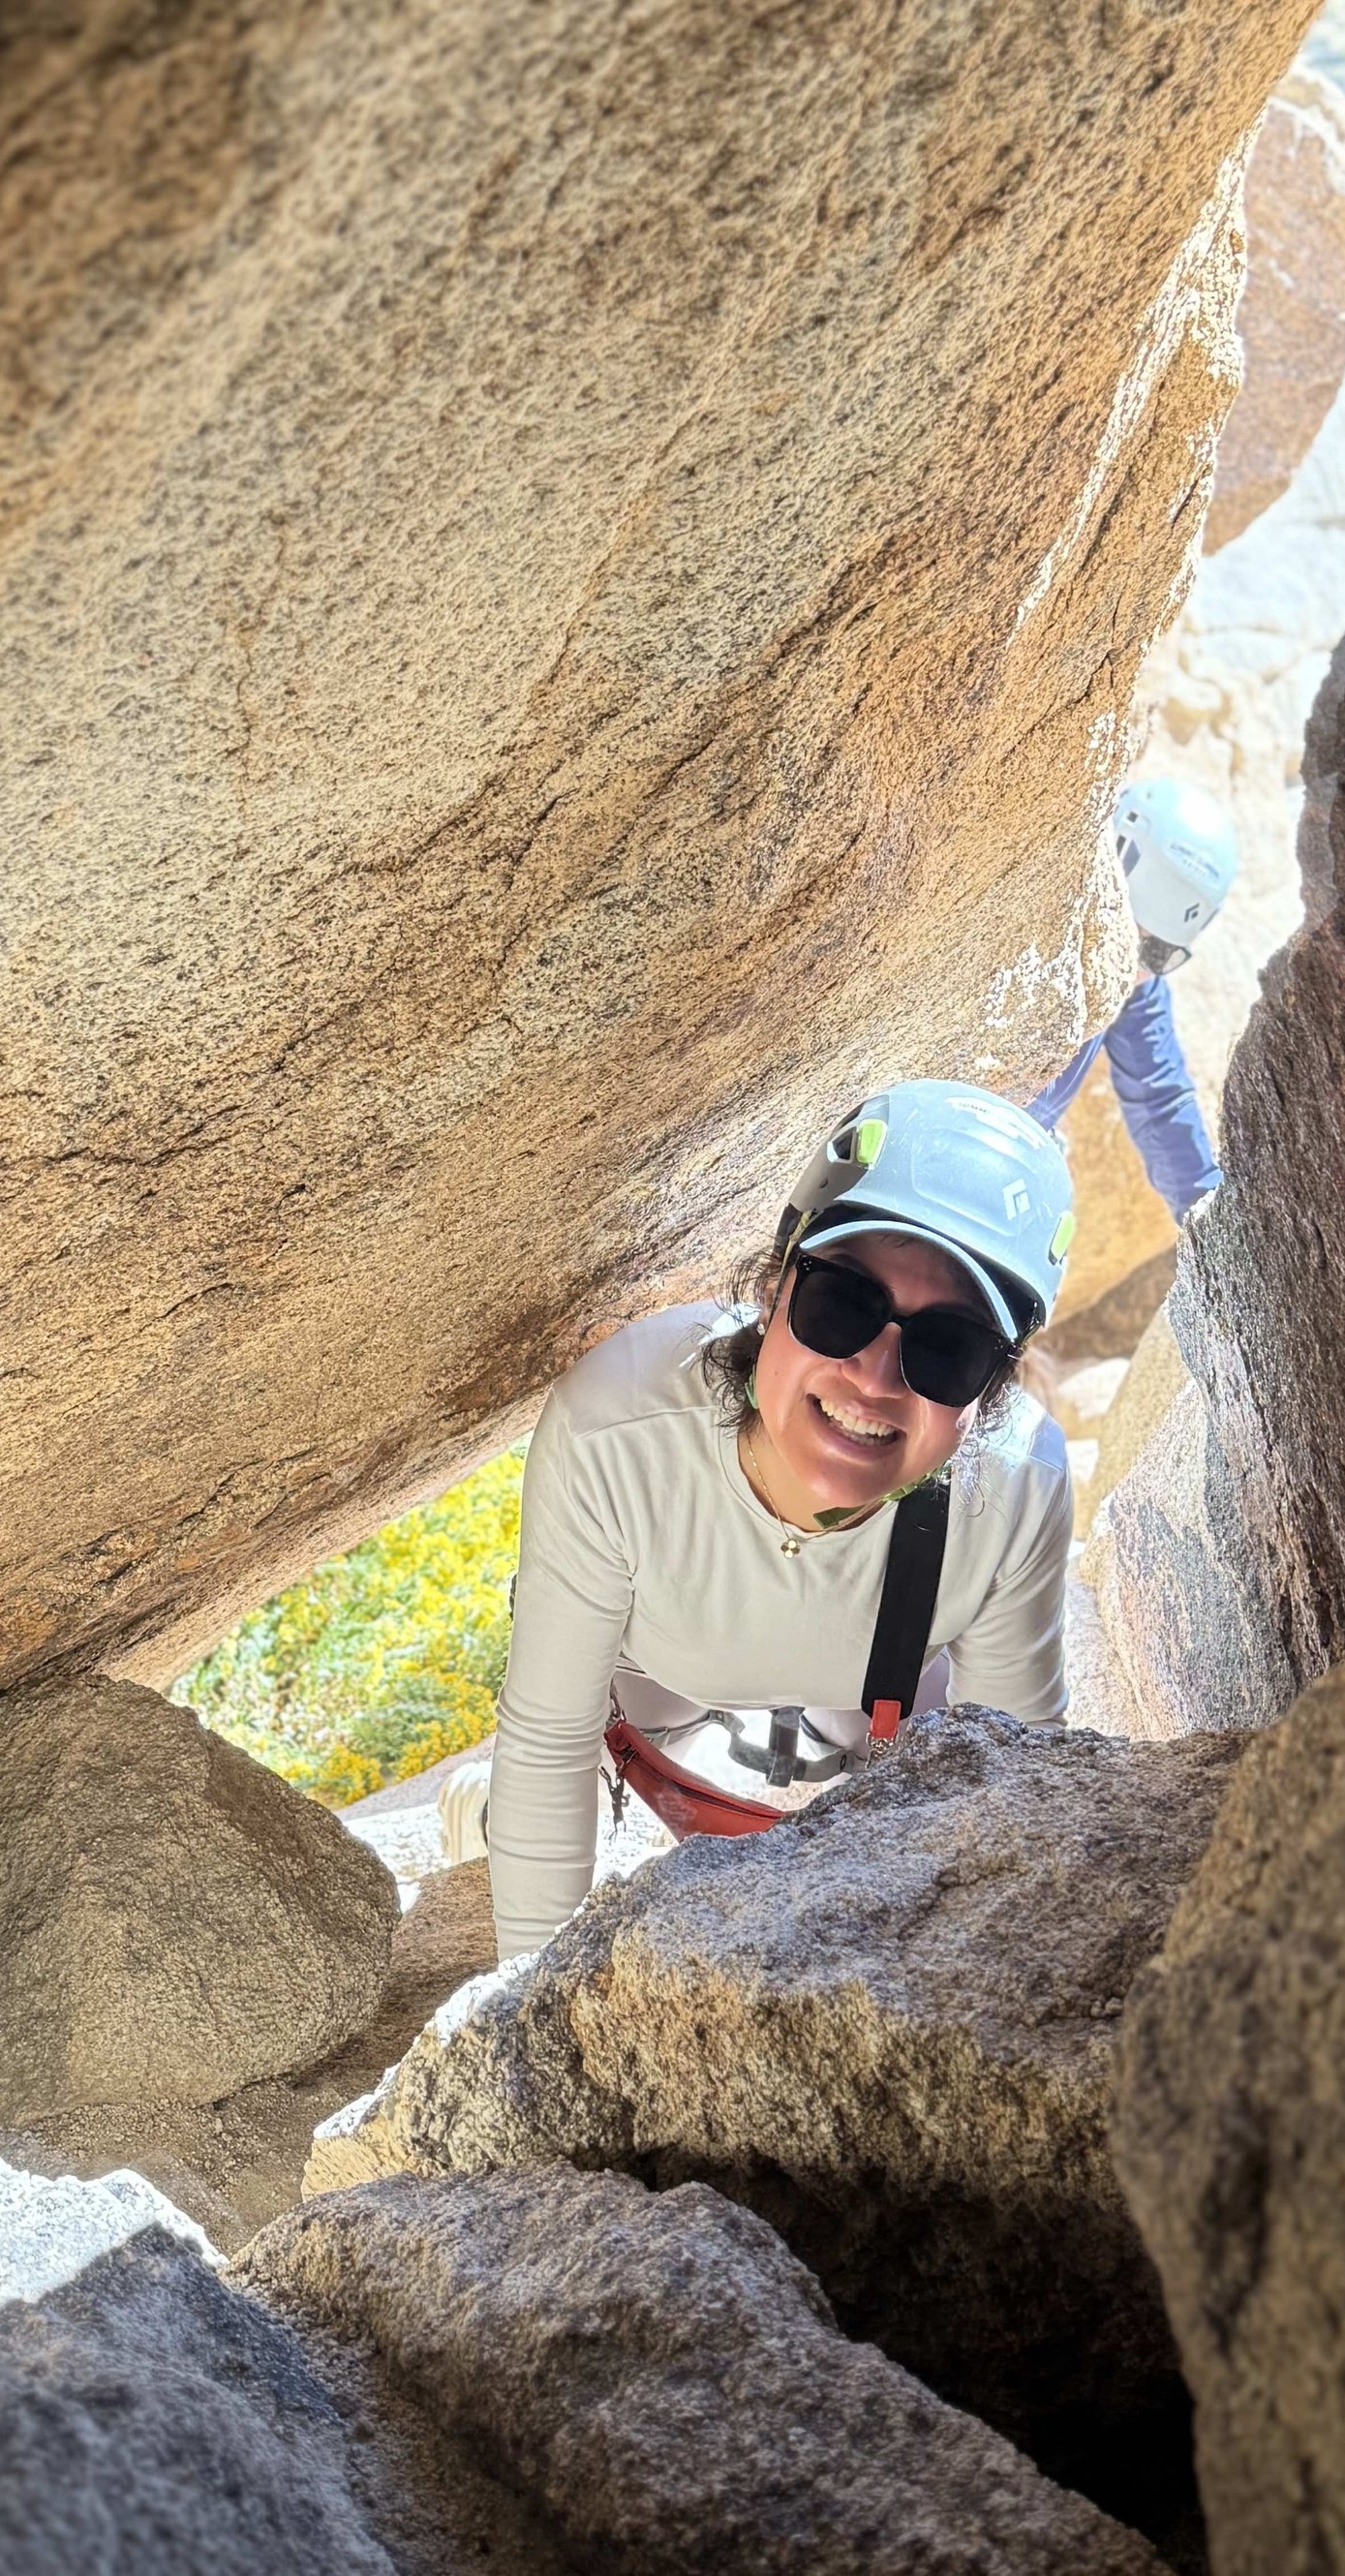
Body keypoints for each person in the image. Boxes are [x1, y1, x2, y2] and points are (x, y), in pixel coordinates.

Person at [484, 1081, 1080, 1960]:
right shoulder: (619, 1435)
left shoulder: (1014, 1492)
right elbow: (548, 1743)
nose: (875, 1378)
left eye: (947, 1347)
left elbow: (1008, 1799)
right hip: (654, 1683)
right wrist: (521, 2006)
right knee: (588, 1749)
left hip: (871, 1704)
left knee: (903, 1745)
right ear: (772, 1291)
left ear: (991, 1392)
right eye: (842, 1303)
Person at [1028, 776, 1238, 1223]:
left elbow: (1161, 1101)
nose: (1137, 968)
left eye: (1160, 953)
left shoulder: (1137, 989)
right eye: (1131, 937)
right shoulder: (1027, 927)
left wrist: (1214, 1217)